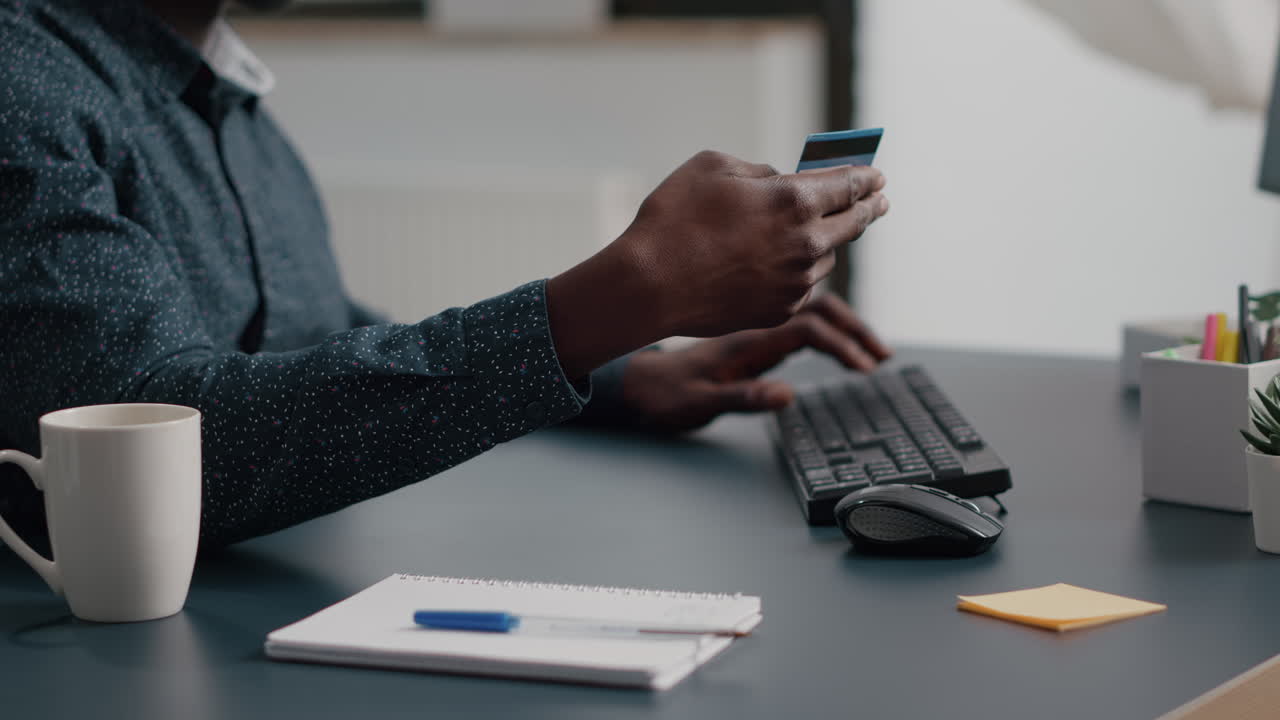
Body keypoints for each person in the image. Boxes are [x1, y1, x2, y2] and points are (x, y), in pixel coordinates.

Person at [0, 0, 891, 549]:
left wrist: (626, 374)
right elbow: (136, 465)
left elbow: (319, 330)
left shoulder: (239, 117)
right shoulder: (23, 82)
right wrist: (621, 298)